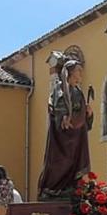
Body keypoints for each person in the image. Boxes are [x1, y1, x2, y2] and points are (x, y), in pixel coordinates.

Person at [38, 56, 94, 201]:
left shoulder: (78, 91)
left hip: (77, 136)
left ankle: (71, 187)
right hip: (62, 138)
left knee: (74, 163)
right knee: (60, 163)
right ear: (70, 72)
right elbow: (55, 104)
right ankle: (53, 188)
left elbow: (81, 113)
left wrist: (88, 113)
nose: (80, 75)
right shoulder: (59, 88)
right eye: (78, 71)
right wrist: (63, 115)